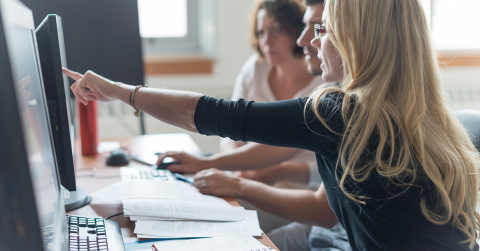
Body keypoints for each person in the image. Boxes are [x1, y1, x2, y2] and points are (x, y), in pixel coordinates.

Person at [64, 0, 480, 250]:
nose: (313, 41)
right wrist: (241, 185)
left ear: (356, 38)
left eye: (324, 29)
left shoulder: (342, 113)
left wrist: (120, 91)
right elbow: (323, 208)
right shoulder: (414, 113)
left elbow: (215, 114)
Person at [155, 1, 350, 250]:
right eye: (261, 33)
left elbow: (322, 207)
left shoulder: (329, 96)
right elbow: (252, 137)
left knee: (222, 226)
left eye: (319, 29)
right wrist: (219, 164)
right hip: (306, 210)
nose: (305, 40)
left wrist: (246, 178)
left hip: (306, 201)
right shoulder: (257, 69)